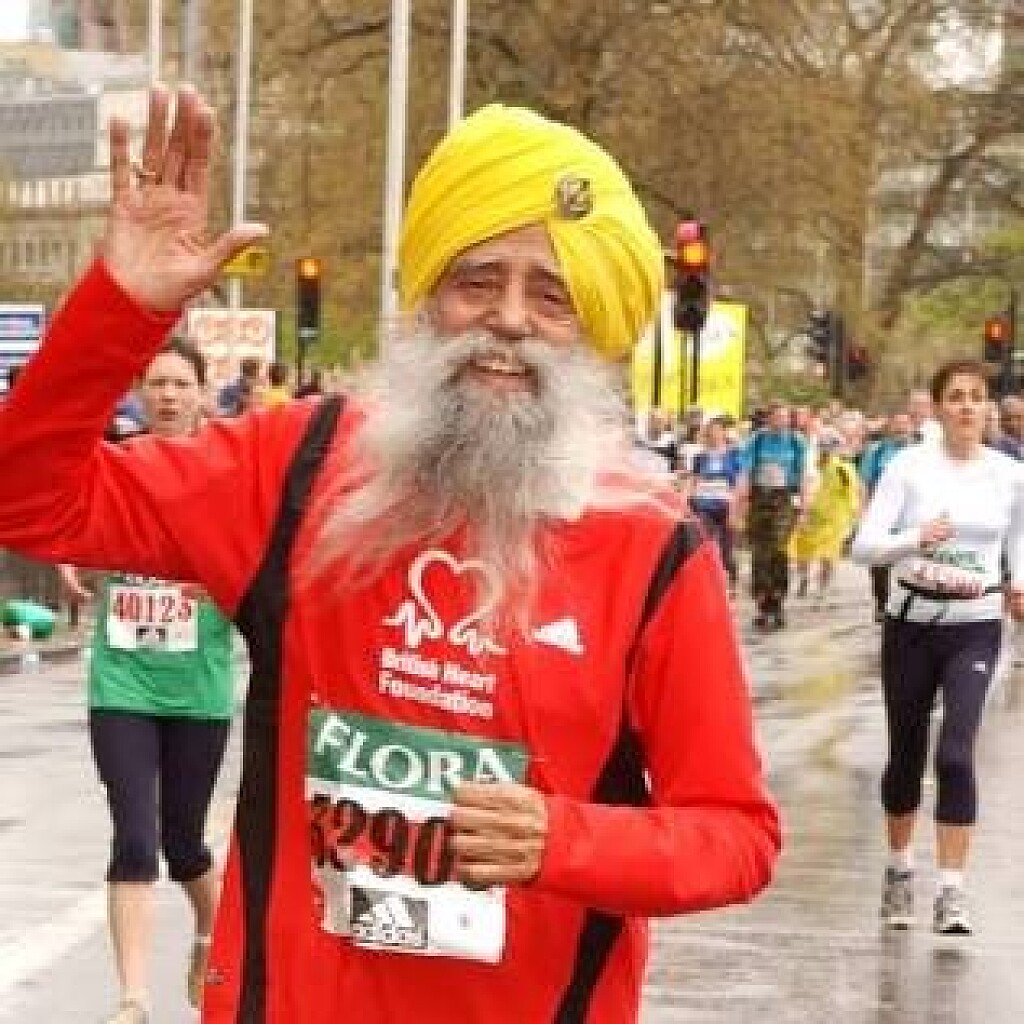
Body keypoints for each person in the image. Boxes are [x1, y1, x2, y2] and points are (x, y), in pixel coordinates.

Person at [0, 87, 779, 1024]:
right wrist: (119, 310)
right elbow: (29, 501)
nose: (509, 319)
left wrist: (561, 840)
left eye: (551, 296)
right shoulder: (298, 467)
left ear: (594, 333)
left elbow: (735, 836)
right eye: (478, 282)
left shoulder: (654, 548)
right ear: (428, 300)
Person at [60, 340, 237, 1024]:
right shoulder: (116, 465)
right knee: (134, 836)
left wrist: (227, 585)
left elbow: (255, 559)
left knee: (184, 843)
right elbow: (70, 519)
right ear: (140, 393)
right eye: (157, 383)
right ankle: (133, 1000)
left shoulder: (225, 474)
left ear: (202, 394)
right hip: (122, 686)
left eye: (181, 384)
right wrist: (67, 554)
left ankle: (209, 934)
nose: (168, 395)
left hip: (198, 689)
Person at [851, 358, 1024, 937]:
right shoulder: (908, 468)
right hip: (911, 625)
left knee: (954, 755)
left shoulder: (1010, 475)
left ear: (988, 407)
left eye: (976, 396)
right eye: (956, 396)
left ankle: (952, 890)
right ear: (938, 406)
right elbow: (864, 546)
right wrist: (915, 538)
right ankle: (900, 868)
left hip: (975, 626)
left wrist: (1019, 583)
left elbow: (1018, 538)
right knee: (906, 756)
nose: (967, 406)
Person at [735, 400, 813, 631]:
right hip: (760, 498)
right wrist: (739, 505)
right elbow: (745, 474)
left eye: (785, 418)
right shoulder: (756, 441)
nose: (782, 422)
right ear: (768, 419)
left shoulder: (796, 442)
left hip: (784, 499)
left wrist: (804, 508)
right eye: (777, 417)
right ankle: (762, 603)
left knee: (779, 548)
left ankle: (777, 601)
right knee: (760, 552)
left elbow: (803, 475)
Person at [787, 433, 860, 606]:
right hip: (810, 516)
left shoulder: (844, 469)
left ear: (837, 449)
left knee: (828, 555)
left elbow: (852, 494)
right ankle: (804, 578)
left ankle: (822, 589)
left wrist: (852, 518)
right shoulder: (810, 467)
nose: (826, 451)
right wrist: (800, 509)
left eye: (830, 448)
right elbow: (800, 487)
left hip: (833, 520)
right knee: (803, 552)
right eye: (823, 447)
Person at [858, 411, 917, 622]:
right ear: (890, 427)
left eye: (905, 424)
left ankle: (909, 602)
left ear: (912, 427)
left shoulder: (921, 452)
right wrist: (864, 511)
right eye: (897, 424)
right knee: (880, 561)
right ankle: (882, 603)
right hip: (882, 514)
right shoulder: (877, 452)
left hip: (911, 515)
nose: (901, 428)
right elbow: (864, 483)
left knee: (911, 559)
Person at [688, 415, 743, 595]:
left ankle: (731, 584)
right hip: (704, 506)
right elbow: (694, 481)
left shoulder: (734, 455)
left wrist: (736, 509)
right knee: (705, 546)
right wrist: (687, 501)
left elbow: (739, 483)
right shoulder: (700, 457)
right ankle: (709, 585)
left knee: (727, 549)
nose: (714, 435)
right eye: (710, 431)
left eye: (717, 431)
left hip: (726, 506)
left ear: (724, 433)